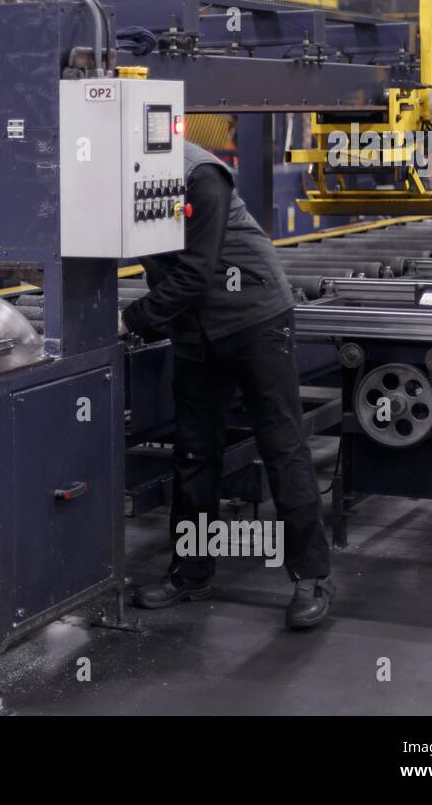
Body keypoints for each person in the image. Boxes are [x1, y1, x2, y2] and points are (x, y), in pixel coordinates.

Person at [120, 140, 334, 629]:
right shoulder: (115, 178)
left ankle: (312, 577)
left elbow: (195, 273)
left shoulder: (201, 177)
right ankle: (191, 573)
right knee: (195, 453)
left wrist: (130, 320)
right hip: (194, 329)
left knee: (282, 446)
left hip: (255, 318)